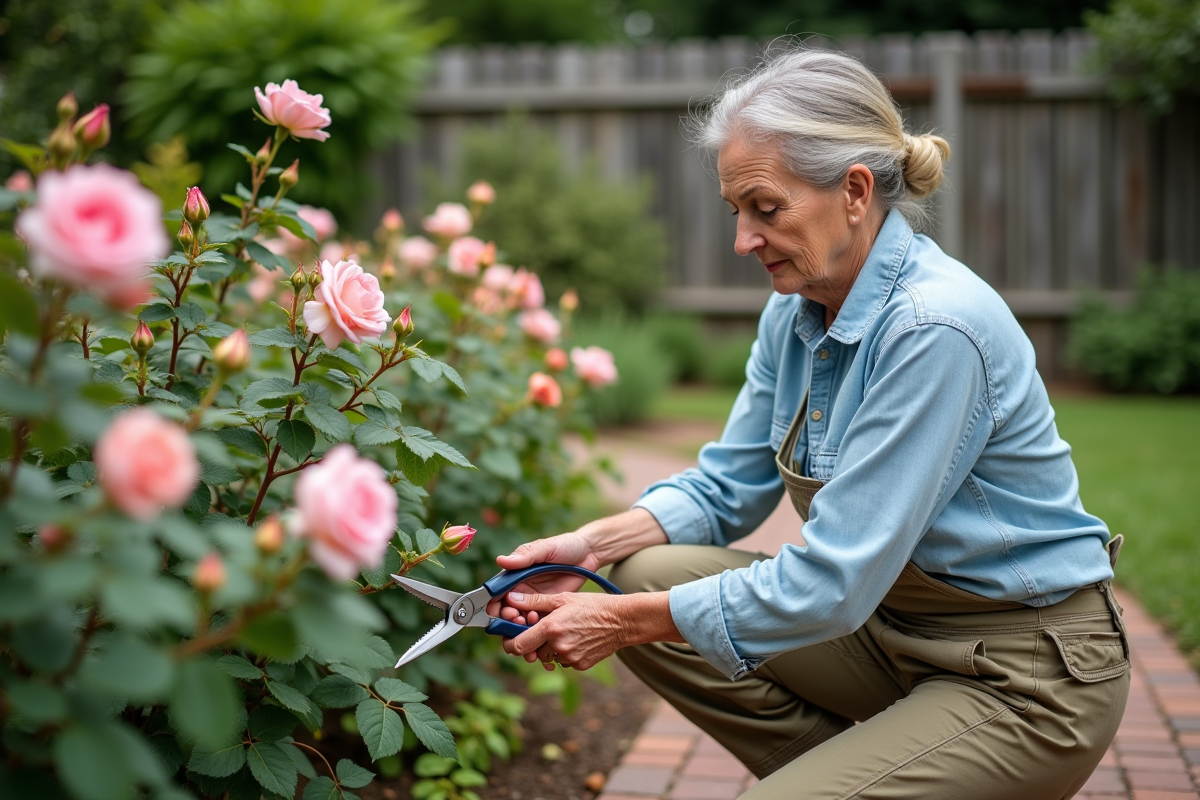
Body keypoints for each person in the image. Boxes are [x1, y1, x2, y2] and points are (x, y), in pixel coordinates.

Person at [486, 47, 1130, 800]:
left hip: (1025, 674)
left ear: (855, 191)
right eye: (736, 212)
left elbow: (832, 580)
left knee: (644, 611)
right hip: (891, 636)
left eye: (766, 208)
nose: (742, 241)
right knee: (636, 571)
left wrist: (619, 624)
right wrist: (590, 544)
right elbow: (729, 486)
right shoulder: (794, 315)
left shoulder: (934, 329)